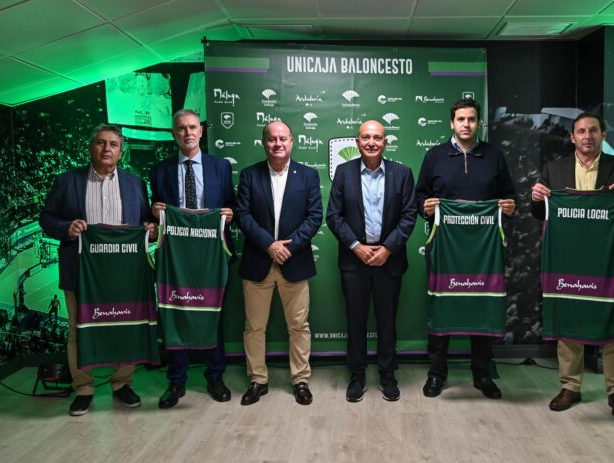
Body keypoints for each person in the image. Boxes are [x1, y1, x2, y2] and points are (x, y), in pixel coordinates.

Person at [531, 112, 614, 420]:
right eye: (580, 131)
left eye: (593, 130)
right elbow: (538, 212)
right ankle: (571, 386)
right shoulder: (553, 170)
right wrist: (535, 197)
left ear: (603, 135)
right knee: (569, 327)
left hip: (609, 264)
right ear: (572, 137)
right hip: (568, 264)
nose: (587, 136)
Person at [39, 124, 156, 416]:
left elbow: (145, 224)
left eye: (114, 144)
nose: (107, 149)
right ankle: (84, 388)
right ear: (90, 147)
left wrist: (151, 229)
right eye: (101, 143)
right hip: (81, 272)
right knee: (78, 331)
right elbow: (46, 218)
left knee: (125, 327)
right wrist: (66, 227)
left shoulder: (134, 183)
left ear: (121, 150)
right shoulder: (67, 181)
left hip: (124, 273)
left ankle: (122, 383)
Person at [416, 98, 516, 400]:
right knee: (442, 308)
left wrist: (510, 206)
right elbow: (419, 196)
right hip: (445, 248)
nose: (466, 124)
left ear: (479, 123)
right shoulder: (435, 156)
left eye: (472, 119)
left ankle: (482, 374)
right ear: (452, 123)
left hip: (483, 251)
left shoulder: (494, 156)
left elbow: (509, 194)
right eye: (461, 119)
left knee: (481, 308)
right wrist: (427, 207)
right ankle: (437, 373)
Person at [150, 109, 236, 409]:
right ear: (174, 133)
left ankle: (215, 377)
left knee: (212, 314)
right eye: (181, 129)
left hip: (210, 255)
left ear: (201, 131)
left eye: (192, 127)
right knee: (176, 313)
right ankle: (177, 381)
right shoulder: (159, 170)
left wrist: (229, 213)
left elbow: (230, 205)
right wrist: (154, 211)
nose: (187, 133)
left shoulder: (220, 167)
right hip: (176, 258)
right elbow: (154, 210)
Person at [326, 120, 416, 402]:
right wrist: (356, 246)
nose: (371, 142)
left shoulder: (402, 174)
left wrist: (387, 249)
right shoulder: (343, 172)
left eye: (377, 137)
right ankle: (357, 375)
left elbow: (409, 215)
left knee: (387, 321)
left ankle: (388, 375)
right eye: (366, 137)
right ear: (357, 141)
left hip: (389, 260)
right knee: (356, 321)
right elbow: (334, 216)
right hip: (355, 260)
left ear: (385, 142)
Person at [235, 121, 322, 406]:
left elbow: (314, 217)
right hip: (258, 260)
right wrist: (269, 245)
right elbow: (243, 215)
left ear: (292, 141)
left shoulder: (308, 176)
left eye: (283, 138)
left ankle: (300, 379)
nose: (278, 144)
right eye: (272, 139)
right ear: (264, 143)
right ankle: (258, 380)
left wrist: (290, 246)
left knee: (299, 326)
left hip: (294, 262)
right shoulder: (249, 175)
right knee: (254, 327)